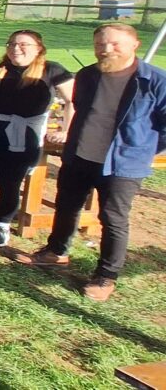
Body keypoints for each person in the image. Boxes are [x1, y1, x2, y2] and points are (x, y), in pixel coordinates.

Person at [15, 23, 166, 302]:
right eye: (100, 45)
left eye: (114, 44)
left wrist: (142, 150)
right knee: (66, 205)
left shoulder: (156, 81)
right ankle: (56, 252)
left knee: (113, 218)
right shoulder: (87, 75)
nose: (106, 50)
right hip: (81, 155)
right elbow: (81, 109)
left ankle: (106, 275)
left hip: (122, 164)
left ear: (135, 45)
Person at [0, 30, 74, 247]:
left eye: (24, 44)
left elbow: (72, 102)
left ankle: (2, 224)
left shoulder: (52, 70)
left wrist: (66, 130)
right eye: (12, 43)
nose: (16, 48)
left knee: (11, 181)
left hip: (25, 135)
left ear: (39, 48)